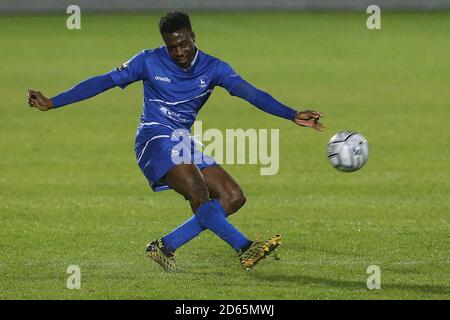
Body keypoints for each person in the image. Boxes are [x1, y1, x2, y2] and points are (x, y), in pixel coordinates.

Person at [27, 11, 324, 271]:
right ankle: (245, 247)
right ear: (165, 44)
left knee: (233, 196)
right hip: (153, 139)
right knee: (198, 190)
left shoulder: (214, 68)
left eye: (184, 43)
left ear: (193, 36)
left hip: (182, 140)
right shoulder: (147, 60)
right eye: (172, 46)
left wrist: (292, 114)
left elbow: (252, 93)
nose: (179, 51)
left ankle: (165, 245)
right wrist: (54, 102)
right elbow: (103, 81)